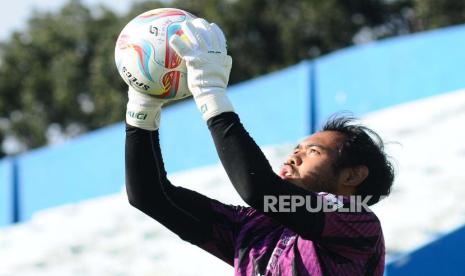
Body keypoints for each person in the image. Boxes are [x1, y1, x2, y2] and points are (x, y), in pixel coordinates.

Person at [124, 18, 394, 276]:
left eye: (313, 151)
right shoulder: (255, 226)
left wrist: (210, 92)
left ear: (352, 176)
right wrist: (143, 106)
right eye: (297, 148)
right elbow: (149, 196)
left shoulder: (358, 222)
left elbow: (260, 190)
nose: (295, 156)